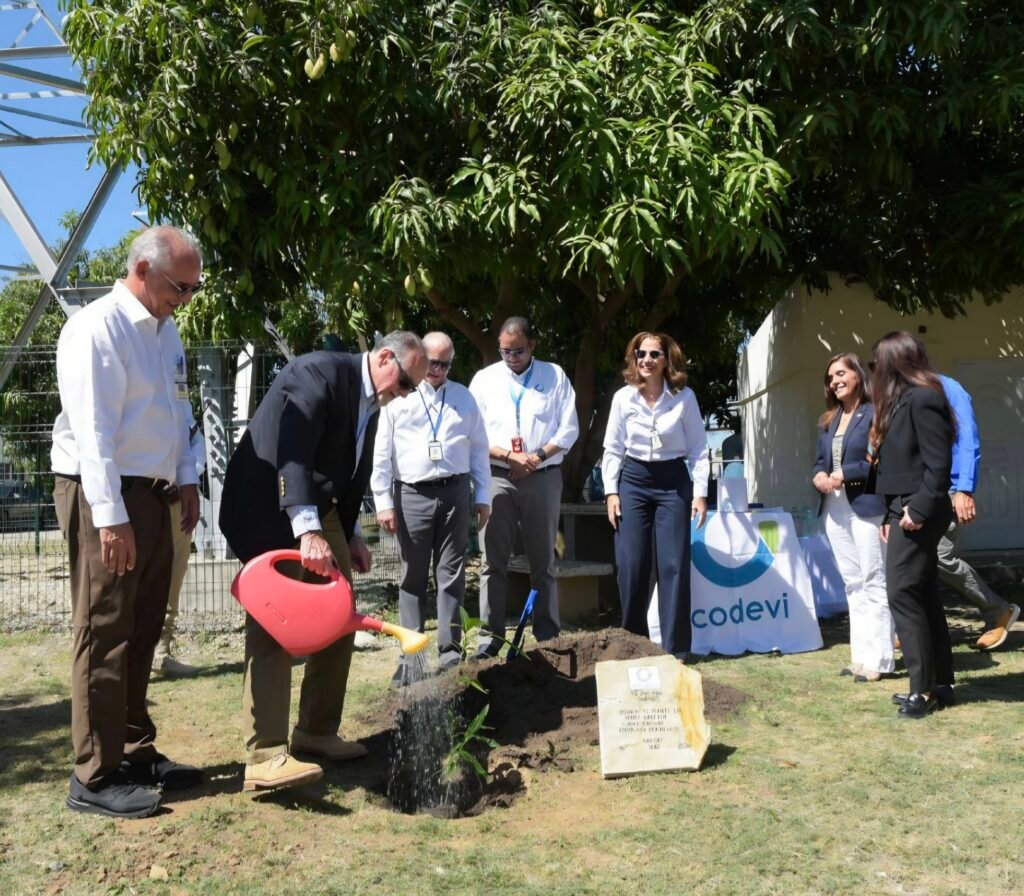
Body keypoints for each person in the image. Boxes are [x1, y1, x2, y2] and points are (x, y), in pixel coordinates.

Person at [219, 332, 427, 792]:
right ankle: (266, 756)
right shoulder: (316, 373)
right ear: (385, 357)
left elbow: (345, 470)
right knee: (275, 623)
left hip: (318, 507)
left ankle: (315, 730)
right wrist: (309, 531)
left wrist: (349, 535)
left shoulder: (374, 401)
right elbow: (293, 453)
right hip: (268, 503)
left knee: (341, 611)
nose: (406, 394)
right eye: (406, 383)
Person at [51, 226, 205, 819]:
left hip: (156, 493)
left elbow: (180, 408)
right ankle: (93, 774)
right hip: (105, 494)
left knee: (143, 625)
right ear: (142, 269)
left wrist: (186, 478)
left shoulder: (166, 332)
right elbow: (93, 431)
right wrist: (110, 517)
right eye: (179, 287)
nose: (184, 300)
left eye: (192, 289)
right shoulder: (97, 328)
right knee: (105, 627)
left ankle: (135, 752)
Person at [371, 332, 491, 687]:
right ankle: (412, 658)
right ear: (421, 358)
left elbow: (479, 449)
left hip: (455, 491)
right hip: (412, 493)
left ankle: (451, 653)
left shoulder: (463, 398)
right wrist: (383, 502)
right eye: (432, 362)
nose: (437, 370)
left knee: (451, 574)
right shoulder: (401, 395)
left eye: (445, 364)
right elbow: (382, 452)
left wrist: (483, 495)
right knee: (412, 575)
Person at [468, 316, 579, 657]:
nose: (512, 358)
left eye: (518, 351)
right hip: (497, 476)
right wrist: (508, 456)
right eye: (505, 351)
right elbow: (472, 432)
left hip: (542, 475)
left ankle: (547, 636)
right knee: (492, 561)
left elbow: (569, 428)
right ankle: (490, 639)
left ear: (532, 345)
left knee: (543, 561)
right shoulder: (484, 380)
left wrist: (536, 456)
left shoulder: (554, 375)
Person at [601, 332, 709, 661]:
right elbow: (612, 448)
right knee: (631, 564)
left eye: (654, 354)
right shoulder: (623, 398)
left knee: (673, 565)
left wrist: (700, 493)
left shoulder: (684, 397)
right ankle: (634, 644)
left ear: (666, 359)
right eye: (641, 353)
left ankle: (676, 650)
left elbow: (698, 449)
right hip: (633, 481)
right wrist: (611, 491)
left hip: (673, 482)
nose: (646, 359)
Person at [870, 331, 956, 719]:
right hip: (901, 508)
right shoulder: (899, 402)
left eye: (878, 362)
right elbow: (898, 467)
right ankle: (939, 683)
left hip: (919, 509)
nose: (874, 369)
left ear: (895, 362)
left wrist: (917, 510)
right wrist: (889, 513)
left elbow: (938, 465)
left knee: (902, 592)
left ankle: (922, 690)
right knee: (921, 593)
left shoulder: (923, 399)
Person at [811, 353, 893, 682]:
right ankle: (860, 657)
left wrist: (845, 473)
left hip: (867, 506)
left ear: (858, 375)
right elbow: (819, 462)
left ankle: (880, 659)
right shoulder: (828, 420)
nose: (835, 381)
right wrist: (818, 475)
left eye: (841, 374)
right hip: (835, 507)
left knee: (874, 581)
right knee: (853, 583)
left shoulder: (875, 414)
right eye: (830, 377)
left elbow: (879, 461)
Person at [936, 375, 1020, 649]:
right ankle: (919, 626)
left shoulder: (948, 388)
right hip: (915, 491)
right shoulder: (897, 389)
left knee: (939, 556)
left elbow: (967, 439)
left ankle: (997, 609)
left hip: (948, 487)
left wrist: (964, 488)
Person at [153, 410, 206, 678]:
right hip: (139, 499)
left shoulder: (179, 397)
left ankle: (160, 654)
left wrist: (187, 479)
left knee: (174, 574)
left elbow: (196, 443)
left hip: (176, 501)